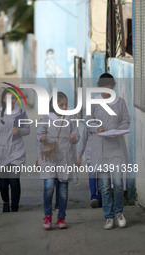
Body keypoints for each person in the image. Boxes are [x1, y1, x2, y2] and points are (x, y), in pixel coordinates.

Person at [89, 73, 130, 230]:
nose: (108, 90)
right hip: (100, 149)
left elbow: (126, 120)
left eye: (110, 87)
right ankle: (108, 217)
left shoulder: (120, 103)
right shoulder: (94, 103)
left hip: (116, 148)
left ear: (113, 87)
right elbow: (88, 121)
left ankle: (119, 213)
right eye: (104, 87)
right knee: (105, 186)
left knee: (118, 183)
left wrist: (121, 128)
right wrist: (97, 127)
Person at [37, 92, 79, 230]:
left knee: (63, 189)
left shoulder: (71, 117)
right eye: (61, 104)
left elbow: (76, 135)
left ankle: (61, 217)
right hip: (49, 157)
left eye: (66, 104)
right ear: (53, 105)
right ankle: (47, 216)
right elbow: (39, 135)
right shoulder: (46, 118)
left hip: (65, 158)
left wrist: (74, 138)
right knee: (48, 187)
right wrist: (42, 138)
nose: (65, 107)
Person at [0, 88, 30, 212]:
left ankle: (15, 207)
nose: (11, 100)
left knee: (14, 180)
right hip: (2, 152)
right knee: (3, 182)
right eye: (8, 97)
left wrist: (20, 131)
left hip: (17, 151)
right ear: (3, 99)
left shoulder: (21, 113)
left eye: (13, 97)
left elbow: (28, 129)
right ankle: (6, 202)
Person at [77, 117, 102, 208]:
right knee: (92, 174)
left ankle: (100, 199)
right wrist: (79, 156)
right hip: (90, 155)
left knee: (100, 177)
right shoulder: (89, 122)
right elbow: (83, 141)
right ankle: (93, 197)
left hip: (102, 155)